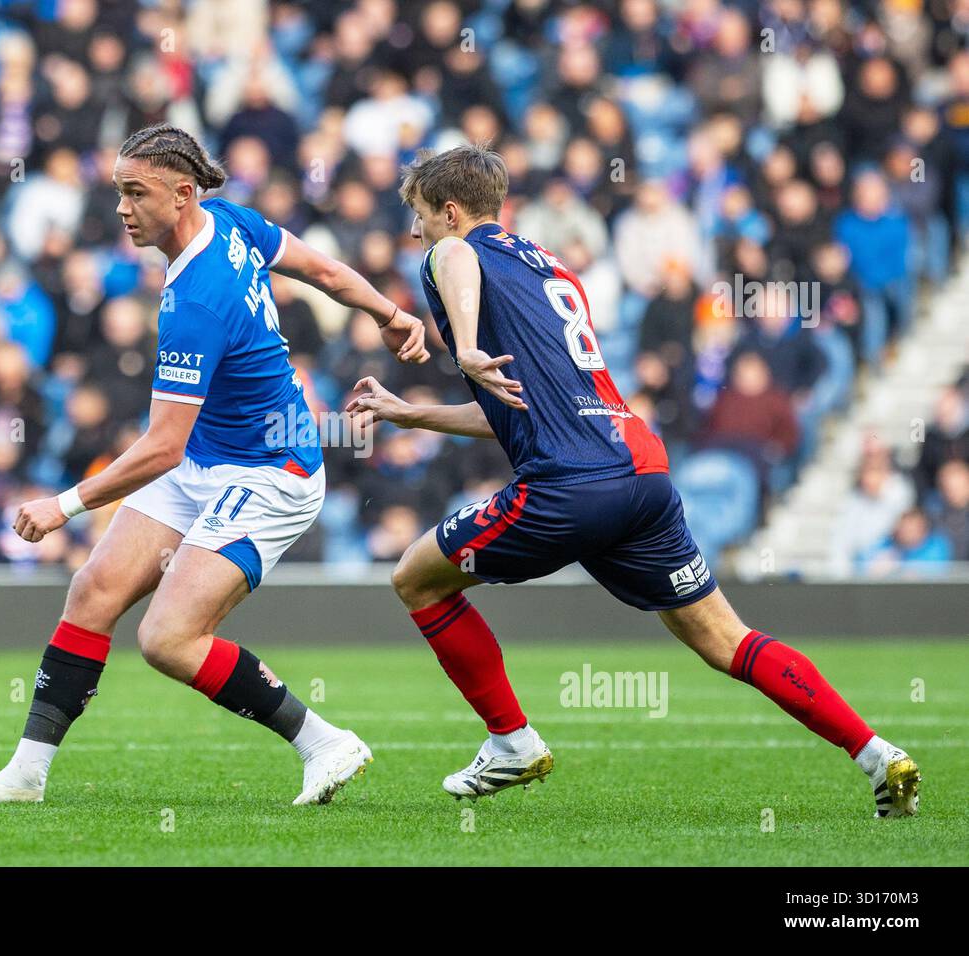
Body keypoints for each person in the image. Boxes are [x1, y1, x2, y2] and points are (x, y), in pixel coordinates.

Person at [346, 145, 920, 818]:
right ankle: (877, 755)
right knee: (723, 637)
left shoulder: (455, 253)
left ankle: (511, 740)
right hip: (639, 472)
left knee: (415, 578)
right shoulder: (551, 266)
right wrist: (411, 411)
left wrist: (465, 345)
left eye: (419, 215)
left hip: (570, 485)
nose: (415, 232)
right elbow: (523, 406)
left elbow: (453, 258)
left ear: (449, 210)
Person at [0, 124, 429, 807]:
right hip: (207, 456)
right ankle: (26, 775)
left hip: (269, 473)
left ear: (181, 194)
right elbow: (320, 270)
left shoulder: (196, 299)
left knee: (168, 639)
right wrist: (387, 312)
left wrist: (65, 505)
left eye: (134, 192)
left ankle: (324, 741)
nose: (121, 207)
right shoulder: (227, 220)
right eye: (118, 191)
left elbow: (161, 446)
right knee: (93, 591)